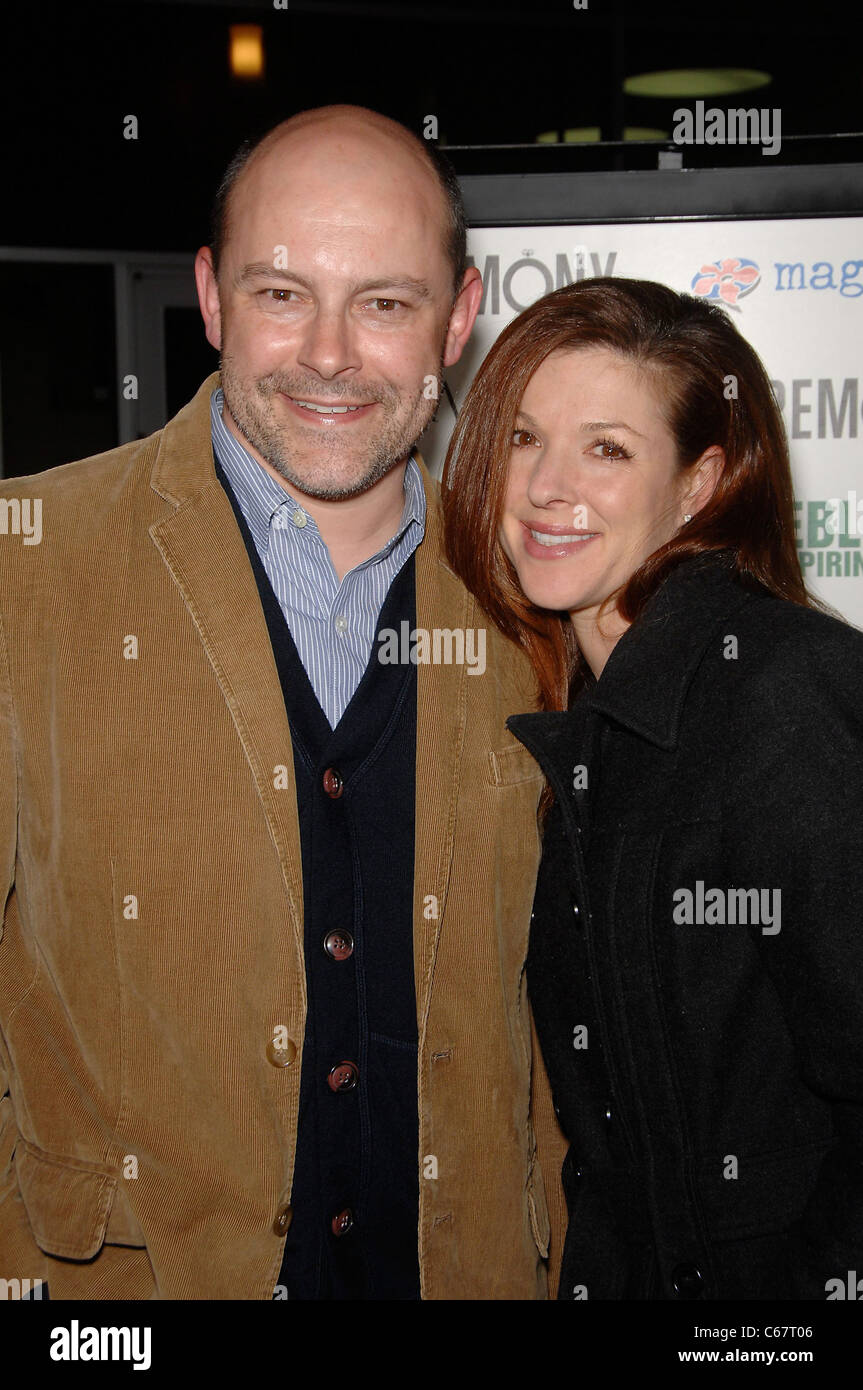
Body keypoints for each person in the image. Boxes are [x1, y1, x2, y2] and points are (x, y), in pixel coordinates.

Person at [0, 106, 567, 1301]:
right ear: (209, 297)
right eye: (279, 293)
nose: (326, 353)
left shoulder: (546, 603)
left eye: (384, 301)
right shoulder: (27, 566)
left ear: (458, 319)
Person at [441, 275, 863, 1300]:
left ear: (698, 484)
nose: (545, 487)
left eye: (605, 449)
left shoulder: (779, 688)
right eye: (521, 439)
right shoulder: (585, 713)